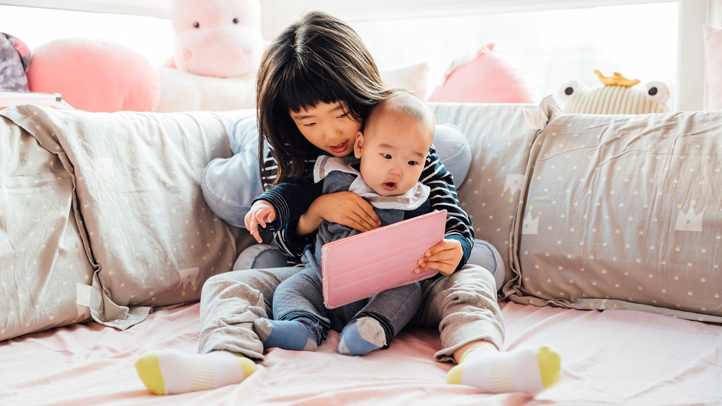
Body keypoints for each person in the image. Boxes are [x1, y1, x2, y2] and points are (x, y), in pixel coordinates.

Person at [135, 11, 560, 396]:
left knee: (471, 281)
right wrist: (317, 212)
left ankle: (480, 359)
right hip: (321, 287)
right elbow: (285, 242)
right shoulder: (308, 160)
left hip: (406, 290)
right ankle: (226, 359)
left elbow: (453, 217)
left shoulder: (405, 147)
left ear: (361, 91)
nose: (329, 133)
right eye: (309, 121)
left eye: (340, 113)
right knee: (226, 285)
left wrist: (456, 249)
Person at [247, 91, 441, 356]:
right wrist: (267, 204)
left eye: (411, 162)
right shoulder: (334, 173)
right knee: (289, 289)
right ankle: (303, 326)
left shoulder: (416, 199)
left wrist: (443, 250)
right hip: (321, 278)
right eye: (386, 157)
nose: (398, 170)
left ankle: (369, 327)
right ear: (361, 146)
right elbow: (294, 193)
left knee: (408, 292)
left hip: (382, 285)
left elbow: (430, 240)